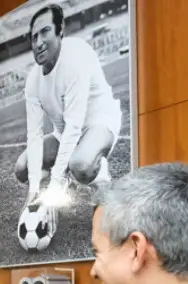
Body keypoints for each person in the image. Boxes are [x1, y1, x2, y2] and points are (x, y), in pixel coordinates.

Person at [14, 3, 122, 206]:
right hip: (63, 135)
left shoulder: (75, 56)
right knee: (22, 168)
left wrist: (55, 181)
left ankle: (102, 176)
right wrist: (35, 188)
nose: (38, 43)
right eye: (34, 37)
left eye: (45, 32)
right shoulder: (33, 81)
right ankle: (66, 174)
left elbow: (74, 126)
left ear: (59, 31)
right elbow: (35, 135)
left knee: (80, 166)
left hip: (99, 123)